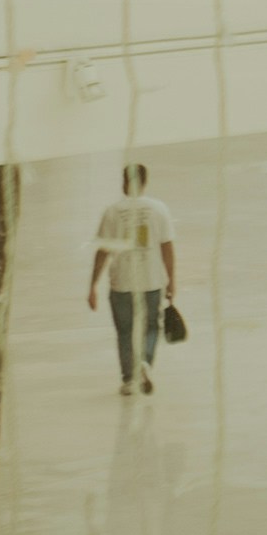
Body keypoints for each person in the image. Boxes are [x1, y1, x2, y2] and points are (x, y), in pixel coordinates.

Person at [85, 161, 180, 393]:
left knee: (125, 331)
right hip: (151, 280)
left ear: (124, 182)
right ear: (145, 182)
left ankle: (129, 379)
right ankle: (145, 362)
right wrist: (171, 280)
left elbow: (103, 252)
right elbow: (167, 248)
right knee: (151, 327)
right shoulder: (159, 209)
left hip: (122, 282)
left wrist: (93, 285)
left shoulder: (111, 212)